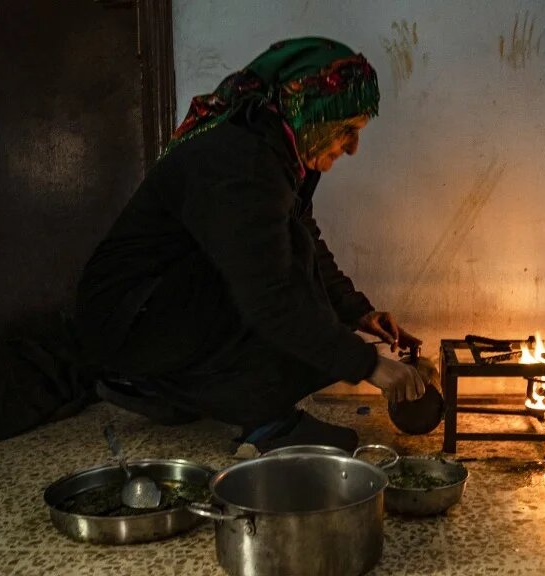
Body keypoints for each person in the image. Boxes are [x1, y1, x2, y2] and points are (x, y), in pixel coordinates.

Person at [75, 37, 428, 452]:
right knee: (288, 292)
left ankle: (169, 387)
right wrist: (371, 367)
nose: (352, 147)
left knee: (314, 315)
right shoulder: (238, 160)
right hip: (130, 317)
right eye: (346, 129)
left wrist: (358, 311)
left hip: (160, 307)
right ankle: (262, 421)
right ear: (307, 110)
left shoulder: (278, 148)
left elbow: (304, 234)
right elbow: (269, 295)